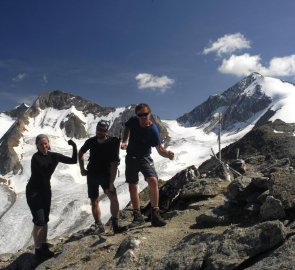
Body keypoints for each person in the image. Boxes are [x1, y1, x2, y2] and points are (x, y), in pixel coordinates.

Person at [121, 103, 174, 227]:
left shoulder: (153, 130)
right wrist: (124, 140)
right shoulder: (133, 121)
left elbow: (160, 149)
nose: (143, 117)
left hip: (145, 158)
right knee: (133, 186)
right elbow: (126, 128)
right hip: (131, 157)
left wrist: (168, 154)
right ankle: (137, 217)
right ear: (137, 115)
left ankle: (155, 214)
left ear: (150, 113)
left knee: (153, 180)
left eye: (146, 114)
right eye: (140, 115)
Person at [26, 134, 77, 260]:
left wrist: (74, 147)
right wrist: (54, 162)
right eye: (41, 144)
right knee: (39, 220)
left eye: (45, 143)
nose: (44, 146)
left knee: (45, 220)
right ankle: (38, 250)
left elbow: (73, 160)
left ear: (48, 143)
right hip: (34, 192)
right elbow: (43, 173)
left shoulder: (54, 156)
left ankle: (44, 246)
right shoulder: (35, 158)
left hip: (46, 191)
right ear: (37, 145)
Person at [78, 120, 127, 234]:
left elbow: (114, 164)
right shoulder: (91, 141)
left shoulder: (113, 142)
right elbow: (80, 153)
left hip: (105, 175)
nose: (99, 132)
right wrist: (82, 169)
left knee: (113, 197)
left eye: (102, 130)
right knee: (94, 200)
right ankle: (100, 225)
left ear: (106, 131)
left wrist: (111, 182)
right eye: (98, 129)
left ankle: (115, 225)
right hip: (92, 174)